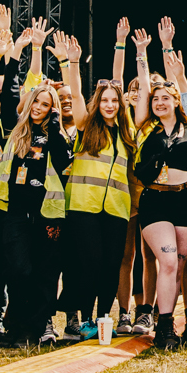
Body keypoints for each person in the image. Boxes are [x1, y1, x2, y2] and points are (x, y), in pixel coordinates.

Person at [51, 32, 134, 340]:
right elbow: (73, 92)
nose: (110, 104)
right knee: (88, 262)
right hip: (83, 207)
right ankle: (82, 318)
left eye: (115, 100)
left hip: (115, 209)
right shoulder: (87, 125)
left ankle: (102, 318)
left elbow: (119, 79)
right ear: (98, 103)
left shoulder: (128, 131)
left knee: (111, 266)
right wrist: (72, 63)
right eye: (105, 100)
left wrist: (121, 45)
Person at [0, 79, 70, 346]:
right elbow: (7, 97)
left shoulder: (56, 136)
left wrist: (57, 120)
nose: (38, 107)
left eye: (46, 104)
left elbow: (62, 160)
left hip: (48, 213)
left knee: (45, 273)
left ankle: (37, 329)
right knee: (19, 270)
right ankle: (15, 326)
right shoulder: (15, 130)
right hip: (15, 212)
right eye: (36, 101)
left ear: (53, 109)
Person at [144, 50, 187, 349]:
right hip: (155, 202)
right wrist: (147, 52)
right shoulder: (145, 126)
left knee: (179, 268)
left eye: (166, 98)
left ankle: (169, 325)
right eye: (155, 98)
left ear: (175, 101)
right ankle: (163, 326)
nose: (160, 102)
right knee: (168, 261)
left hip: (186, 201)